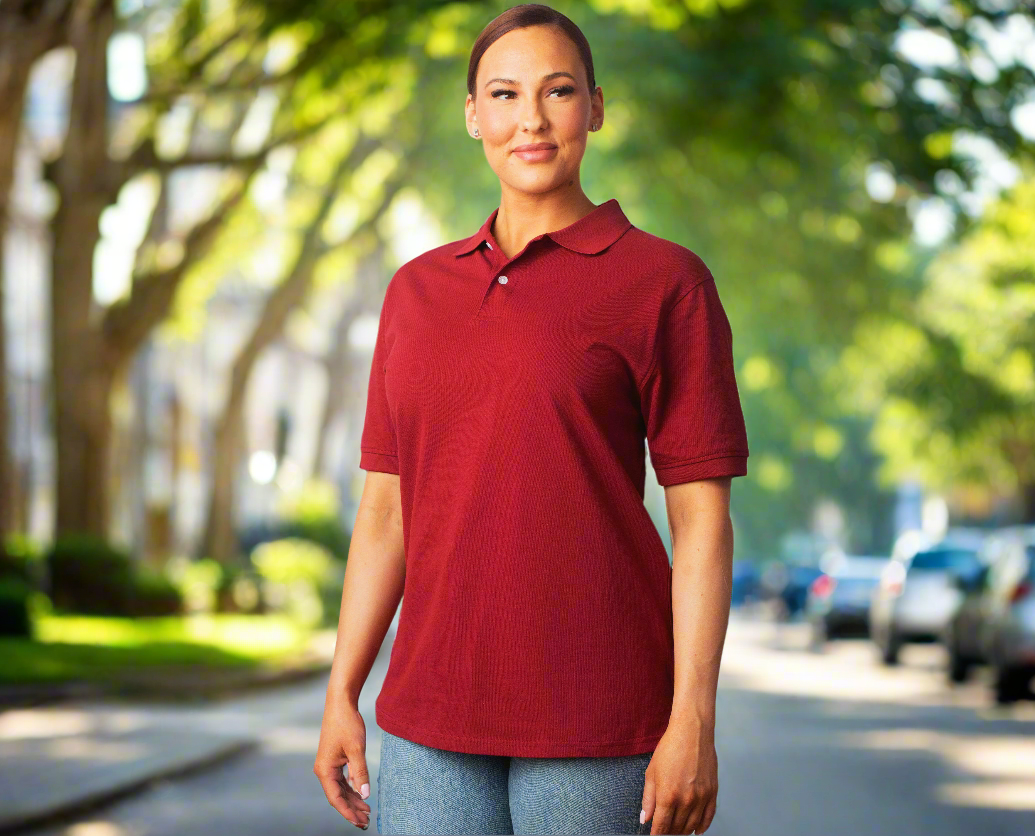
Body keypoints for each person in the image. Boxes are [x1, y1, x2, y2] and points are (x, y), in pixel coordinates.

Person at [314, 4, 750, 834]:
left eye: (558, 91)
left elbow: (702, 521)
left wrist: (693, 717)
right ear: (474, 114)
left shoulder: (666, 284)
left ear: (594, 105)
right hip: (426, 722)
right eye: (505, 95)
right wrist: (342, 691)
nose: (532, 119)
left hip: (600, 718)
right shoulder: (416, 292)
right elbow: (384, 512)